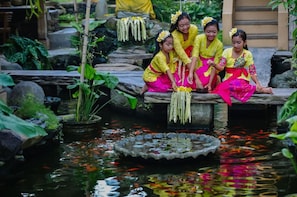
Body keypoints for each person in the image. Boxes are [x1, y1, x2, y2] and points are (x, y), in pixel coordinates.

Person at [212, 28, 273, 106]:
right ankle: (257, 90)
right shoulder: (226, 52)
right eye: (234, 43)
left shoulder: (248, 54)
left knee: (237, 85)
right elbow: (221, 67)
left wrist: (258, 83)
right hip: (229, 80)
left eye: (238, 42)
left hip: (242, 79)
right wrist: (214, 64)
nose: (236, 45)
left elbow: (252, 71)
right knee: (226, 87)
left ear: (244, 43)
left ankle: (258, 89)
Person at [191, 16, 223, 92]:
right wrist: (191, 73)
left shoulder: (219, 44)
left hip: (211, 66)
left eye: (214, 32)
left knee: (205, 84)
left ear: (218, 31)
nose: (211, 34)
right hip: (198, 63)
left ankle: (214, 81)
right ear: (204, 30)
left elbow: (215, 64)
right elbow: (195, 55)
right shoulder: (199, 38)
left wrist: (209, 83)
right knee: (191, 82)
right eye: (208, 32)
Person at [169, 11, 198, 89]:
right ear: (177, 26)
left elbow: (195, 46)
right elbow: (182, 55)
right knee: (182, 82)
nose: (185, 27)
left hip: (191, 54)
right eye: (182, 25)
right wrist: (194, 75)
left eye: (187, 24)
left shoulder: (194, 29)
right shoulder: (174, 35)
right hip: (178, 57)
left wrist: (194, 58)